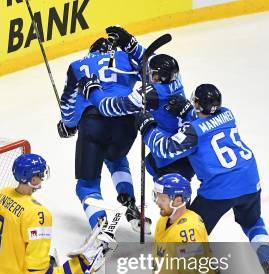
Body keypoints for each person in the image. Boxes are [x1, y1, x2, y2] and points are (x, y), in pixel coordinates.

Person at [137, 84, 269, 274]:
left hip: (219, 188)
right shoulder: (227, 114)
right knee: (253, 223)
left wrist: (148, 128)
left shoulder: (192, 131)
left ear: (197, 104)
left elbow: (166, 148)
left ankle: (207, 266)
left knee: (187, 229)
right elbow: (205, 125)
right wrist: (187, 110)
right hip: (249, 178)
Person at [78, 26, 195, 184]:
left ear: (158, 77)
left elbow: (108, 108)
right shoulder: (175, 78)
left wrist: (93, 90)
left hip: (170, 153)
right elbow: (149, 60)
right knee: (151, 164)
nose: (147, 73)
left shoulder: (149, 95)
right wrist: (130, 44)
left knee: (170, 196)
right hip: (185, 143)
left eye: (152, 73)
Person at [57, 35, 149, 233]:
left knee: (87, 185)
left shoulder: (76, 66)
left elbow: (68, 105)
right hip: (127, 121)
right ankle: (130, 203)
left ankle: (101, 228)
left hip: (94, 123)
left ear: (91, 51)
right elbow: (150, 72)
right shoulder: (125, 58)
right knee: (116, 157)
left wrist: (68, 125)